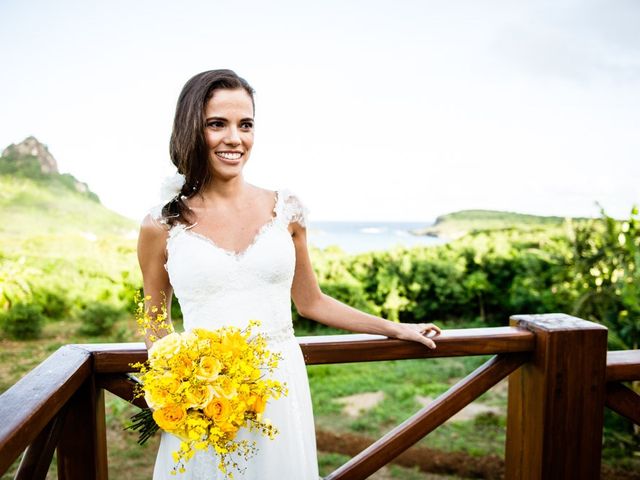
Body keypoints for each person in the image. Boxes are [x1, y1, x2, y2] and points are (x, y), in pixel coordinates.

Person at [137, 69, 441, 480]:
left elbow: (311, 301)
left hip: (280, 389)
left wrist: (395, 328)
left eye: (245, 124)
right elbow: (156, 321)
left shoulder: (287, 209)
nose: (234, 138)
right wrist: (181, 389)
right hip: (203, 403)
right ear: (191, 129)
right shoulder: (161, 224)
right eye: (217, 124)